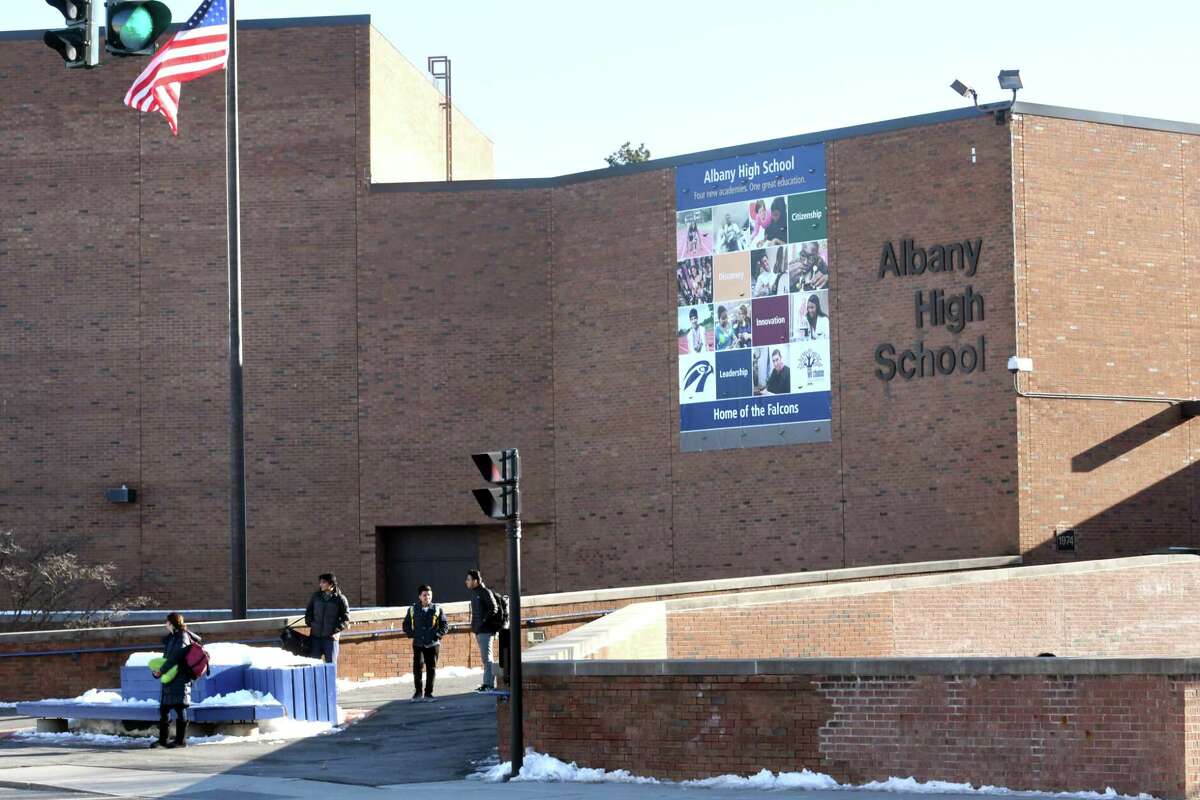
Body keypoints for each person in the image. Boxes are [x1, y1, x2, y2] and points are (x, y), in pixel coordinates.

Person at [151, 612, 200, 749]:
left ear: (172, 623)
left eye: (167, 622)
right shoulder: (172, 638)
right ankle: (162, 740)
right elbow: (166, 659)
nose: (165, 624)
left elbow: (174, 658)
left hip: (180, 678)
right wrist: (158, 671)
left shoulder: (182, 637)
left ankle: (180, 741)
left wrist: (161, 671)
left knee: (180, 707)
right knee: (164, 709)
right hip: (170, 677)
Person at [402, 584, 448, 701]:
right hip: (418, 644)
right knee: (417, 668)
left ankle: (428, 693)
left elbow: (445, 625)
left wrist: (437, 635)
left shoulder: (437, 609)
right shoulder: (413, 609)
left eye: (429, 595)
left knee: (431, 669)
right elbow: (406, 624)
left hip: (433, 644)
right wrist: (411, 634)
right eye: (424, 595)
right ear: (419, 596)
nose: (427, 597)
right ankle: (418, 693)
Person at [305, 573, 350, 664]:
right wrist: (310, 623)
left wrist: (335, 630)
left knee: (331, 666)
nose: (320, 584)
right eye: (320, 582)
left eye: (323, 582)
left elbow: (346, 619)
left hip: (330, 639)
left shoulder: (340, 599)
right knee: (313, 665)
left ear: (331, 584)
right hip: (315, 637)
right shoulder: (316, 596)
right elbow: (309, 611)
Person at [465, 569, 499, 692]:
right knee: (486, 658)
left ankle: (489, 684)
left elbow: (494, 608)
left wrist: (483, 621)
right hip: (479, 630)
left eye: (468, 579)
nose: (466, 582)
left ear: (476, 581)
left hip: (486, 630)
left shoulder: (484, 592)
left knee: (487, 658)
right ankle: (487, 683)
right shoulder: (475, 593)